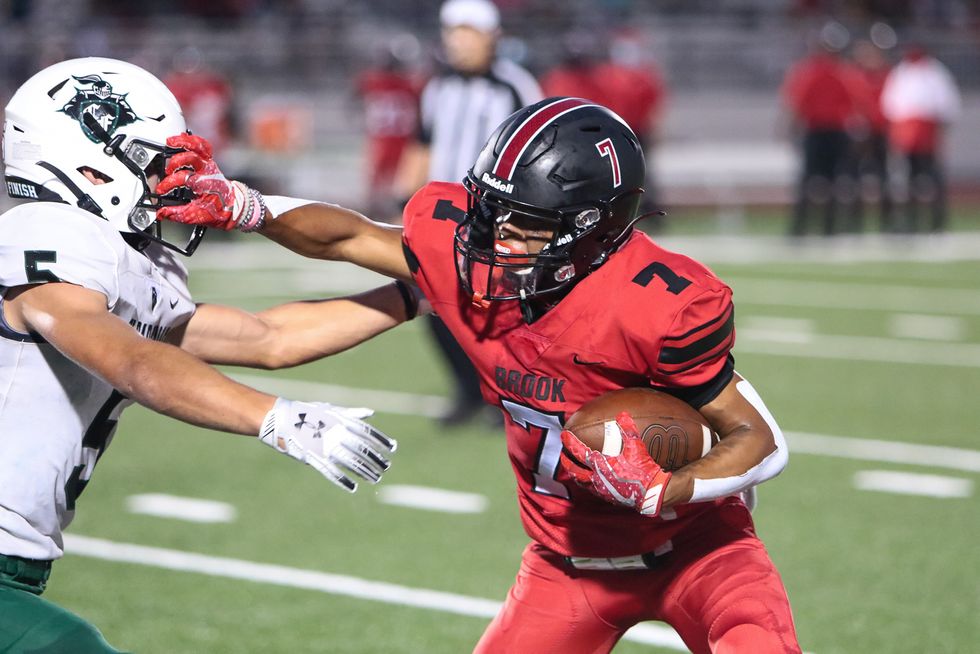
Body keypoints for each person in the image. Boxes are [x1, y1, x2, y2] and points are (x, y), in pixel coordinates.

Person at [160, 97, 801, 653]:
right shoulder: (467, 260)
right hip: (566, 566)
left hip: (700, 553)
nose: (495, 238)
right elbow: (346, 239)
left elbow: (760, 437)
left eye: (524, 224)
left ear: (591, 231)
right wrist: (245, 204)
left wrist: (667, 489)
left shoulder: (660, 303)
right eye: (493, 213)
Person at [0, 57, 413, 654]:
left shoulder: (116, 263)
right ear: (84, 159)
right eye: (148, 158)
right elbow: (133, 363)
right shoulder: (49, 231)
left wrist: (419, 295)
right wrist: (274, 419)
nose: (168, 177)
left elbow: (267, 338)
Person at [395, 0, 542, 426]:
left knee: (503, 307)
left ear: (492, 37)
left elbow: (535, 149)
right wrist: (403, 196)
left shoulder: (515, 86)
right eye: (453, 32)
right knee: (433, 304)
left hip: (499, 215)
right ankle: (468, 390)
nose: (459, 42)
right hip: (446, 216)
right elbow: (423, 144)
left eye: (469, 32)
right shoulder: (437, 88)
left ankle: (508, 395)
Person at [781, 26, 861, 236]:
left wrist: (790, 128)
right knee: (831, 183)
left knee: (811, 182)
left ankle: (802, 228)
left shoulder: (810, 71)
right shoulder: (842, 72)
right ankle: (827, 228)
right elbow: (855, 105)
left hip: (820, 132)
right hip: (830, 132)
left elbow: (797, 103)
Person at [880, 44, 960, 233]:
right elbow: (890, 107)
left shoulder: (935, 72)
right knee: (907, 181)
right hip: (906, 136)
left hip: (927, 135)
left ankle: (937, 222)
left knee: (933, 179)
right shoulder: (901, 72)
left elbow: (947, 106)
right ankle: (910, 221)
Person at [846, 39, 893, 232]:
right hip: (857, 136)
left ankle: (887, 224)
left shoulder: (889, 76)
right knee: (854, 179)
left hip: (880, 134)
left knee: (883, 179)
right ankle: (854, 224)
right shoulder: (851, 76)